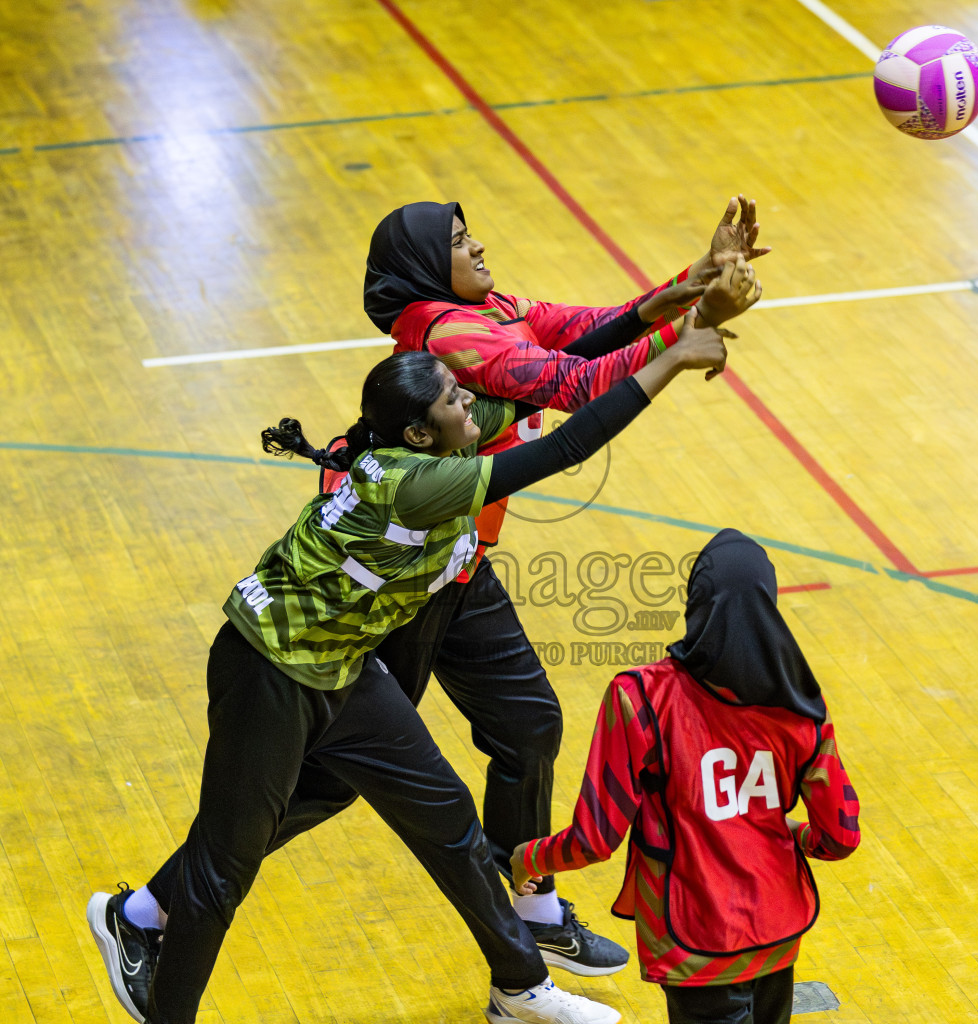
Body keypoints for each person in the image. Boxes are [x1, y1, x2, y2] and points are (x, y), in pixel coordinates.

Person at [87, 328, 731, 1024]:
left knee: (447, 814)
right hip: (268, 668)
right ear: (420, 433)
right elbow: (568, 446)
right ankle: (153, 968)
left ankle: (520, 986)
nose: (471, 403)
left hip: (344, 665)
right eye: (455, 398)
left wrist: (677, 317)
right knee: (223, 870)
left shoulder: (442, 440)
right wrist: (675, 359)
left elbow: (556, 382)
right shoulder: (417, 483)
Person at [321, 197, 767, 974]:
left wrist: (696, 279)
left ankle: (533, 913)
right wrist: (691, 331)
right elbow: (575, 383)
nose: (478, 247)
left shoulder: (485, 308)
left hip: (459, 564)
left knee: (528, 725)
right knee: (326, 782)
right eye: (459, 241)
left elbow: (587, 328)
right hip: (400, 585)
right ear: (426, 266)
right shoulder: (448, 334)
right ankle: (157, 910)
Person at [509, 529, 863, 1024]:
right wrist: (793, 831)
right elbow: (840, 836)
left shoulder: (641, 697)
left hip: (695, 935)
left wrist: (529, 857)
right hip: (778, 931)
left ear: (696, 601)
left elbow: (595, 840)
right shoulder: (800, 703)